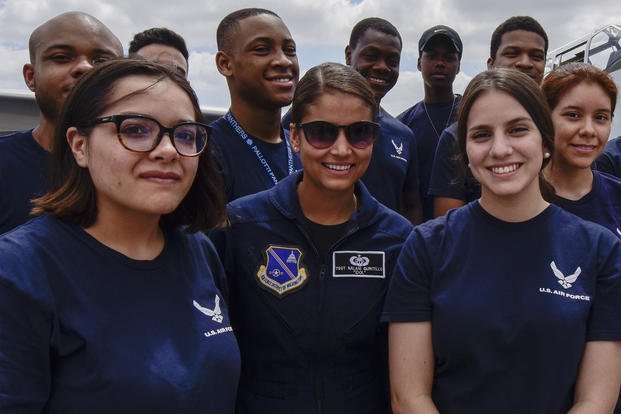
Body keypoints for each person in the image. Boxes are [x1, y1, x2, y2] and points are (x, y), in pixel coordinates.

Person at [0, 59, 240, 412]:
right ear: (79, 146)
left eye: (186, 134)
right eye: (136, 130)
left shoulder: (197, 250)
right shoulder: (20, 273)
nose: (168, 150)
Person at [382, 68, 621, 413]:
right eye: (481, 135)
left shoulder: (601, 251)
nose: (500, 149)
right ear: (464, 150)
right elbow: (409, 397)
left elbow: (596, 401)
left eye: (518, 130)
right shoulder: (426, 247)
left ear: (545, 140)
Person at [211, 62, 412, 413]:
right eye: (322, 132)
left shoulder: (396, 238)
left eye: (359, 132)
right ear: (294, 136)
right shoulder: (241, 225)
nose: (341, 149)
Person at [0, 11, 123, 234]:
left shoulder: (144, 168)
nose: (84, 67)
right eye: (61, 57)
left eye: (102, 61)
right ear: (31, 76)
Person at [429, 15, 548, 217]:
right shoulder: (455, 136)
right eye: (512, 53)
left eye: (536, 56)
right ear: (491, 64)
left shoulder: (562, 130)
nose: (525, 63)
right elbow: (448, 233)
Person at [211, 8, 301, 202]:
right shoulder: (205, 152)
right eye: (262, 49)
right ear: (225, 64)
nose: (283, 60)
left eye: (290, 50)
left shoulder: (306, 147)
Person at [345, 17, 422, 223]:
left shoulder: (403, 135)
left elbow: (411, 205)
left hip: (388, 251)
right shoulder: (311, 122)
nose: (382, 67)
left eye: (392, 61)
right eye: (371, 56)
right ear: (348, 55)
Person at [542, 63, 621, 235]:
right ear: (545, 117)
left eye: (601, 117)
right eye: (573, 115)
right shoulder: (516, 201)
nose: (589, 130)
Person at [398, 25, 463, 221]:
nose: (440, 63)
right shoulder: (403, 125)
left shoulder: (474, 116)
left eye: (449, 57)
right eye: (432, 56)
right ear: (419, 63)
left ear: (459, 66)